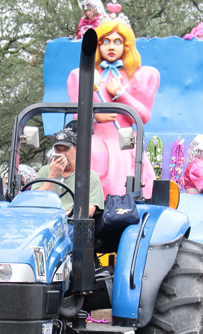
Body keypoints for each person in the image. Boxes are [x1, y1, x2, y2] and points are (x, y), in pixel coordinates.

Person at [66, 13, 159, 198]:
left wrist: (121, 94)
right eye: (105, 41)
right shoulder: (82, 75)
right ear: (98, 45)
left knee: (125, 186)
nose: (111, 47)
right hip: (93, 143)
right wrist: (94, 116)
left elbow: (143, 116)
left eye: (117, 42)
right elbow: (76, 114)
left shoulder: (141, 76)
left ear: (126, 46)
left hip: (124, 144)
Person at [34, 129, 104, 217]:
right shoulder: (44, 171)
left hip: (72, 223)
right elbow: (35, 203)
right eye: (58, 150)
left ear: (75, 149)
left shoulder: (90, 176)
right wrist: (53, 176)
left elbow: (89, 211)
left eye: (66, 149)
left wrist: (60, 217)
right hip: (46, 221)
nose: (62, 154)